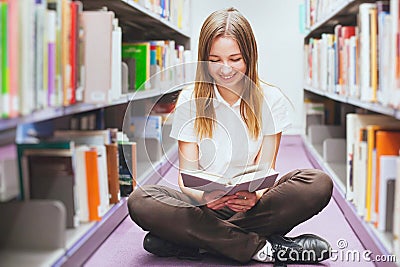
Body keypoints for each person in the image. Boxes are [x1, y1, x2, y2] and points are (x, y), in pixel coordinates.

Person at [128, 7, 333, 265]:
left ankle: (198, 242)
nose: (225, 69)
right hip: (203, 205)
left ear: (249, 56)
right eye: (215, 60)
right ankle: (264, 248)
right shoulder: (190, 99)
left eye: (235, 59)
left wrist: (254, 196)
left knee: (317, 183)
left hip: (250, 206)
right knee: (141, 200)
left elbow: (265, 168)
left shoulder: (272, 100)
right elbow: (185, 175)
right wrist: (204, 196)